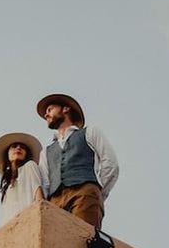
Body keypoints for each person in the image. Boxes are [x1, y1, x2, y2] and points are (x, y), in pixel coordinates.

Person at [35, 93, 119, 229]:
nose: (46, 115)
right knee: (57, 246)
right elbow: (45, 182)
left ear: (66, 109)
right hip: (55, 203)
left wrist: (96, 192)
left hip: (84, 194)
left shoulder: (90, 133)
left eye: (50, 109)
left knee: (83, 241)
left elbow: (110, 164)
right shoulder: (46, 151)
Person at [0, 132, 47, 224]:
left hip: (30, 220)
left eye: (22, 147)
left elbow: (38, 193)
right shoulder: (6, 185)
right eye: (14, 146)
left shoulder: (30, 166)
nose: (18, 148)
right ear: (7, 154)